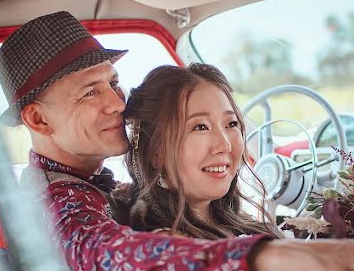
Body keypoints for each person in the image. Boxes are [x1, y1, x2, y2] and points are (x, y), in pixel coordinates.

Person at [0, 10, 354, 271]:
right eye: (90, 92)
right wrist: (277, 255)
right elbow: (114, 260)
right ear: (37, 118)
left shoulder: (85, 189)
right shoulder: (57, 205)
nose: (117, 104)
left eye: (114, 83)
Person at [111, 63, 280, 240]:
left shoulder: (237, 224)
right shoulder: (169, 246)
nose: (225, 145)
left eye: (231, 124)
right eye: (200, 127)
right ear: (156, 152)